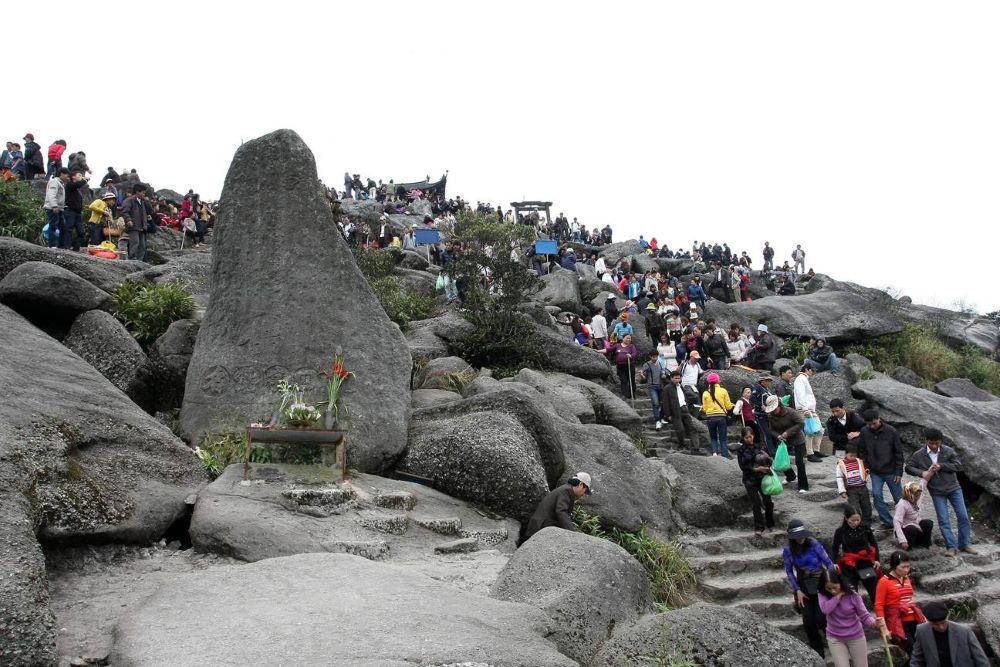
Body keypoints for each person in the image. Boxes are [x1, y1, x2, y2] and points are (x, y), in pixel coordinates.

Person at [905, 427, 977, 556]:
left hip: (954, 488)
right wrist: (922, 473)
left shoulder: (948, 451)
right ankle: (951, 546)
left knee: (963, 516)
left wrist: (942, 466)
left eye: (936, 443)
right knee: (943, 519)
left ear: (940, 442)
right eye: (931, 443)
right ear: (926, 441)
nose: (934, 446)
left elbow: (958, 465)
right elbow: (909, 467)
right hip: (937, 491)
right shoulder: (919, 455)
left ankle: (965, 544)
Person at [783, 519, 834, 656]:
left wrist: (831, 581)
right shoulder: (788, 550)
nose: (800, 539)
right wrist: (797, 590)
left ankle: (836, 645)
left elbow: (828, 563)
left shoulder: (813, 544)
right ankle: (818, 654)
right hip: (803, 586)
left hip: (820, 584)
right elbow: (789, 571)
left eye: (802, 536)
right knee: (808, 622)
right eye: (797, 538)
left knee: (821, 619)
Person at [818, 569, 877, 667]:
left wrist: (875, 623)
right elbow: (826, 609)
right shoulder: (822, 594)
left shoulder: (853, 595)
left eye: (835, 587)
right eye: (829, 588)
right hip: (835, 638)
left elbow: (864, 615)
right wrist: (839, 595)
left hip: (856, 636)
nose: (832, 591)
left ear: (840, 583)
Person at [859, 409, 904, 529]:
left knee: (899, 498)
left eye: (874, 423)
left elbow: (899, 453)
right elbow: (862, 450)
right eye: (869, 424)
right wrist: (866, 466)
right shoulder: (864, 431)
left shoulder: (891, 431)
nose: (872, 426)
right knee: (877, 495)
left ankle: (904, 521)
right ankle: (888, 522)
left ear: (879, 418)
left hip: (891, 471)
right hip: (875, 472)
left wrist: (899, 472)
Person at [875, 551, 926, 657]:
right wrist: (884, 629)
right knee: (913, 653)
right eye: (903, 567)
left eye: (908, 567)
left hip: (914, 620)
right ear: (894, 566)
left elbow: (909, 598)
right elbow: (879, 605)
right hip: (898, 622)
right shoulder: (884, 581)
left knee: (922, 651)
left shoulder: (906, 578)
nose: (906, 570)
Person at [910, 600, 990, 667]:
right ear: (929, 622)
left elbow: (980, 658)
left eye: (943, 623)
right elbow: (916, 658)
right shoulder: (921, 630)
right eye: (936, 625)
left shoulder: (964, 631)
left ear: (947, 617)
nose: (941, 627)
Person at [521, 472, 593, 544]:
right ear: (580, 485)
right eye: (585, 490)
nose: (583, 494)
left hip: (540, 527)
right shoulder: (566, 491)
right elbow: (561, 512)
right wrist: (573, 534)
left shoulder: (566, 490)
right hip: (539, 528)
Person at [831, 505, 881, 602]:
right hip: (849, 566)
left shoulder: (865, 528)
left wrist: (877, 559)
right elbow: (834, 548)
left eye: (858, 520)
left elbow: (874, 544)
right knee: (851, 596)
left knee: (875, 593)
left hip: (865, 563)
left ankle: (880, 615)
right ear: (846, 518)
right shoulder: (840, 532)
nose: (855, 523)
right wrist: (833, 562)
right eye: (852, 520)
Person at [765, 395, 809, 493]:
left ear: (779, 405)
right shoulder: (771, 416)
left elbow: (801, 424)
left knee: (799, 461)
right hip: (783, 441)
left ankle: (803, 486)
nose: (773, 411)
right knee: (779, 459)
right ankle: (791, 476)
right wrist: (778, 436)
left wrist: (787, 433)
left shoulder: (790, 412)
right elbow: (771, 430)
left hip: (798, 439)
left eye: (774, 409)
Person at [737, 426, 774, 535]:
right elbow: (743, 466)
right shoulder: (741, 450)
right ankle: (759, 527)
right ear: (743, 438)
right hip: (750, 480)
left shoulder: (760, 446)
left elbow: (769, 460)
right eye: (747, 437)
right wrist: (757, 469)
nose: (749, 439)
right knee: (756, 503)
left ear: (753, 435)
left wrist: (766, 465)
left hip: (763, 479)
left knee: (768, 502)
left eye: (751, 436)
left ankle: (770, 524)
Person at [794, 365, 826, 462]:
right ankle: (810, 453)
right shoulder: (800, 379)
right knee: (810, 431)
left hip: (810, 409)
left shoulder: (804, 379)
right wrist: (805, 409)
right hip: (805, 410)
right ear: (806, 369)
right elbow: (800, 394)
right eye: (812, 370)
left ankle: (816, 450)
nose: (813, 372)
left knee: (819, 430)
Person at [837, 443, 873, 525]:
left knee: (866, 506)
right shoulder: (841, 465)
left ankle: (867, 524)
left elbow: (865, 470)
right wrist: (842, 491)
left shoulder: (859, 461)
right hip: (851, 489)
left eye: (855, 455)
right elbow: (839, 478)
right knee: (854, 507)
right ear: (846, 454)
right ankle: (857, 523)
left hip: (863, 487)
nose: (853, 457)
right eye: (851, 455)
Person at [894, 482, 934, 551]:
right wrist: (902, 540)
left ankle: (923, 544)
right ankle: (908, 547)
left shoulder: (917, 499)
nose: (918, 497)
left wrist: (930, 473)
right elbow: (897, 522)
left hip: (915, 524)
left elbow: (922, 484)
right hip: (905, 528)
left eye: (918, 496)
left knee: (928, 523)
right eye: (916, 496)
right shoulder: (902, 504)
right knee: (912, 529)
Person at [701, 373, 733, 458]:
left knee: (713, 437)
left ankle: (714, 453)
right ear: (718, 381)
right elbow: (729, 407)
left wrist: (701, 409)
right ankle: (724, 456)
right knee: (723, 438)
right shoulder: (723, 391)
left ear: (708, 382)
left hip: (710, 418)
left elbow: (704, 408)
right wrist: (732, 405)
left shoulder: (705, 393)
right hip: (721, 417)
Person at [120, 183, 149, 261]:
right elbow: (125, 211)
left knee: (142, 246)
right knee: (135, 243)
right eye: (142, 192)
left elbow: (149, 211)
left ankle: (139, 262)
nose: (144, 194)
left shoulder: (142, 201)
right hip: (133, 226)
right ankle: (132, 261)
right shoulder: (129, 200)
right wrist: (128, 220)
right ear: (137, 192)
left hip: (142, 227)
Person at [43, 168, 69, 248]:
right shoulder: (55, 181)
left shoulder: (60, 183)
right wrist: (54, 205)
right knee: (53, 226)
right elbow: (52, 194)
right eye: (66, 175)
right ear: (61, 174)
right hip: (53, 208)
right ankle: (52, 245)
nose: (67, 177)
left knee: (63, 227)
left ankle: (61, 246)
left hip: (59, 208)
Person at [638, 351, 664, 429]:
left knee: (662, 403)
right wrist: (642, 375)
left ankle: (661, 417)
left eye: (656, 356)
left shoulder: (660, 363)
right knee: (655, 403)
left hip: (660, 386)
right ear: (650, 356)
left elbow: (662, 371)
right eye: (653, 357)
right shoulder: (647, 364)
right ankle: (657, 420)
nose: (655, 358)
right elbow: (643, 374)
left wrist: (664, 374)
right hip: (652, 386)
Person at [612, 333, 638, 399]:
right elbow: (608, 349)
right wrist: (598, 351)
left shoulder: (631, 346)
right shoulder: (617, 345)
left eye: (629, 338)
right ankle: (624, 395)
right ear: (623, 338)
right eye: (627, 338)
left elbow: (634, 354)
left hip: (629, 365)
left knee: (631, 380)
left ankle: (632, 395)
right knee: (623, 380)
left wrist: (631, 356)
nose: (628, 339)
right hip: (620, 366)